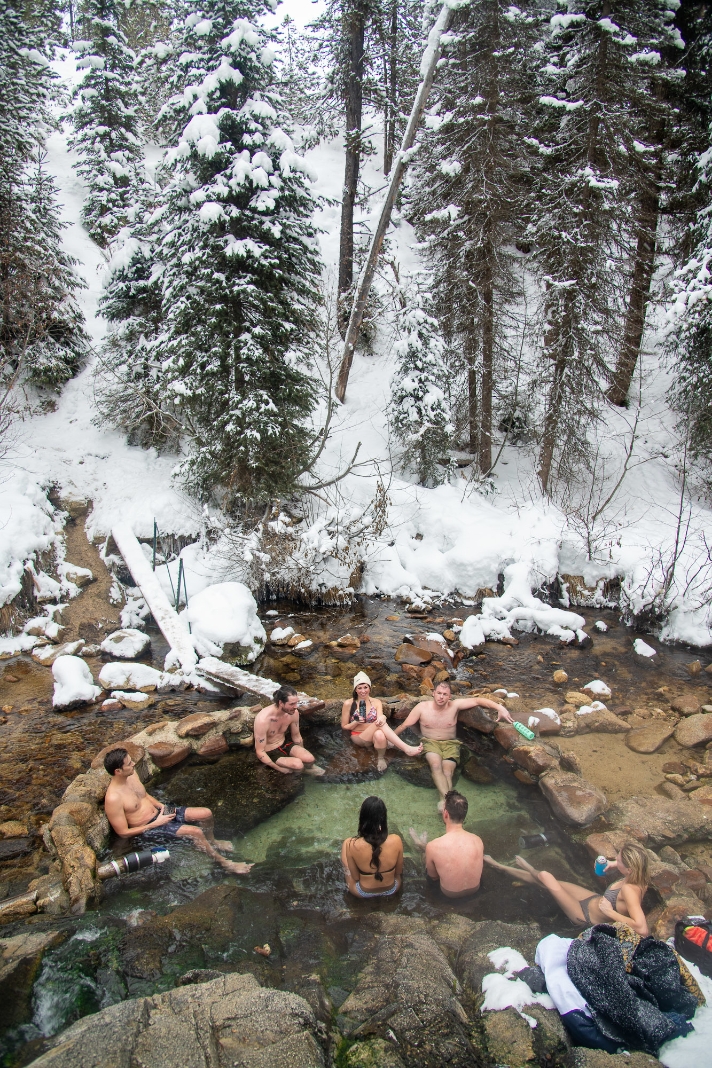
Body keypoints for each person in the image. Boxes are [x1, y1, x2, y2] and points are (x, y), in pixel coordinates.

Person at [103, 747, 253, 875]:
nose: (134, 764)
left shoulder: (131, 774)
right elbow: (123, 832)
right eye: (129, 764)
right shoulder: (113, 798)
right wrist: (156, 824)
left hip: (160, 812)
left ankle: (213, 842)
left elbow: (144, 795)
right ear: (118, 771)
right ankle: (225, 863)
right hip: (150, 826)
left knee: (205, 814)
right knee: (196, 832)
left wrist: (162, 807)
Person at [484, 841, 650, 934]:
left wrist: (610, 913)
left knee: (546, 877)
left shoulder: (629, 891)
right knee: (547, 882)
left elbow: (642, 928)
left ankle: (519, 868)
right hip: (592, 899)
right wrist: (614, 865)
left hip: (584, 916)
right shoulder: (641, 876)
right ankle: (508, 869)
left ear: (629, 869)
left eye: (618, 860)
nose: (614, 859)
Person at [394, 680, 514, 803]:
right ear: (433, 693)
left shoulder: (455, 706)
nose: (441, 697)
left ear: (449, 696)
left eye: (445, 694)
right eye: (439, 693)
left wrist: (500, 707)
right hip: (430, 742)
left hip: (451, 743)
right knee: (435, 765)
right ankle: (448, 801)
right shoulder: (422, 708)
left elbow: (477, 700)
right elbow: (404, 725)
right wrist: (392, 740)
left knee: (447, 771)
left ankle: (443, 799)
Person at [341, 671, 424, 772]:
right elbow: (344, 726)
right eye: (359, 688)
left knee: (380, 733)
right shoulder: (349, 703)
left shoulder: (376, 702)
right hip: (359, 737)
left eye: (365, 687)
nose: (363, 691)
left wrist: (383, 717)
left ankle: (380, 758)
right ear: (355, 689)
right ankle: (406, 748)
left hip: (374, 735)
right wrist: (356, 722)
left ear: (370, 688)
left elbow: (380, 717)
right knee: (379, 726)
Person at [409, 789, 483, 897]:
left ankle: (419, 845)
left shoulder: (433, 846)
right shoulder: (477, 840)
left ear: (446, 814)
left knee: (428, 856)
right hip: (475, 890)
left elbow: (433, 877)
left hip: (449, 895)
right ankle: (421, 845)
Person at [254, 684, 325, 776]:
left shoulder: (293, 713)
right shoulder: (263, 720)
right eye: (292, 704)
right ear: (280, 703)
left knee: (310, 758)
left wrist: (302, 754)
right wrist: (280, 769)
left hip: (285, 744)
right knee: (298, 765)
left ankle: (307, 769)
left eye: (296, 703)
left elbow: (296, 736)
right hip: (271, 751)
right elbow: (260, 751)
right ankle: (302, 771)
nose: (296, 707)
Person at [341, 795, 403, 898]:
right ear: (384, 818)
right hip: (392, 889)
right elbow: (398, 872)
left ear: (362, 818)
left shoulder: (351, 844)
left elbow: (356, 877)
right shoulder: (397, 839)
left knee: (345, 845)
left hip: (362, 893)